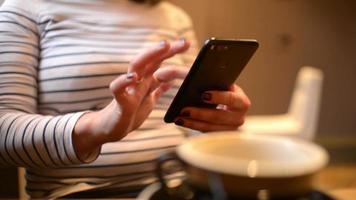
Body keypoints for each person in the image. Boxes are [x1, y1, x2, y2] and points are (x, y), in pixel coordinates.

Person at [0, 0, 251, 198]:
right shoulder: (24, 8)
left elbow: (189, 127)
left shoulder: (174, 17)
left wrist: (217, 127)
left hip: (176, 188)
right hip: (84, 194)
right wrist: (98, 126)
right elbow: (3, 134)